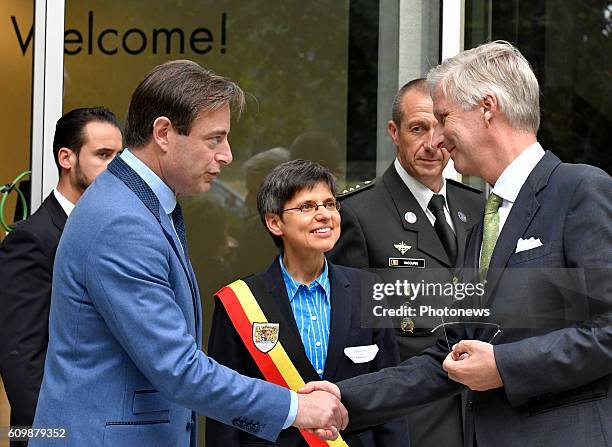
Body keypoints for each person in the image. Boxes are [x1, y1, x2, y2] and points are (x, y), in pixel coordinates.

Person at [303, 41, 612, 447]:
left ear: (487, 108)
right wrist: (344, 397)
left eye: (445, 117)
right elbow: (448, 355)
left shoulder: (580, 190)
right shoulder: (483, 222)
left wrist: (504, 365)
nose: (439, 138)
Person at [31, 61, 346, 447]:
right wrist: (296, 408)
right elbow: (178, 368)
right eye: (214, 139)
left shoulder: (136, 204)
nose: (227, 155)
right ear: (163, 133)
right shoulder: (122, 222)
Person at [207, 159, 408, 446]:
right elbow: (224, 406)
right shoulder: (240, 301)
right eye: (307, 207)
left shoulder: (367, 289)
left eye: (329, 204)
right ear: (275, 222)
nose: (324, 215)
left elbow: (390, 396)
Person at [328, 79, 483, 447]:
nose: (432, 144)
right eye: (418, 129)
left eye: (439, 128)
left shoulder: (476, 207)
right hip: (409, 424)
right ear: (394, 132)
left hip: (479, 417)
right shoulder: (357, 214)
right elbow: (353, 342)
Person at [0, 107, 122, 442]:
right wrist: (56, 435)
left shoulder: (112, 231)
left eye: (119, 156)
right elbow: (21, 357)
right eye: (103, 155)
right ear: (66, 158)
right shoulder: (32, 238)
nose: (117, 167)